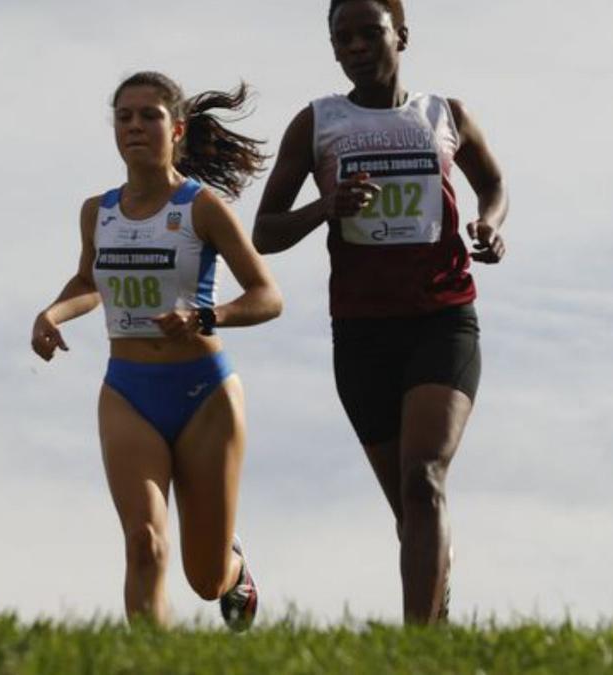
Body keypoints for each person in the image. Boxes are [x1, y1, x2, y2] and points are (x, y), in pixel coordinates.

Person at [252, 0, 508, 624]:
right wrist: (326, 207)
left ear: (403, 36)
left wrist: (489, 224)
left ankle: (417, 647)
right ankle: (436, 603)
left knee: (423, 480)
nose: (358, 47)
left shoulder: (445, 115)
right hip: (363, 332)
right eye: (344, 39)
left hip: (442, 319)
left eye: (371, 33)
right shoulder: (316, 124)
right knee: (410, 508)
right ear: (334, 50)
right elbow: (264, 232)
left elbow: (493, 184)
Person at [30, 72, 282, 630]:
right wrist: (50, 313)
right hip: (128, 392)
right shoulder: (98, 211)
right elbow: (89, 282)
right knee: (145, 544)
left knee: (205, 579)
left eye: (150, 116)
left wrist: (205, 316)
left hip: (205, 394)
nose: (136, 126)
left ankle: (235, 570)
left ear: (178, 128)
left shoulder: (202, 208)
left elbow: (268, 297)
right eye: (125, 117)